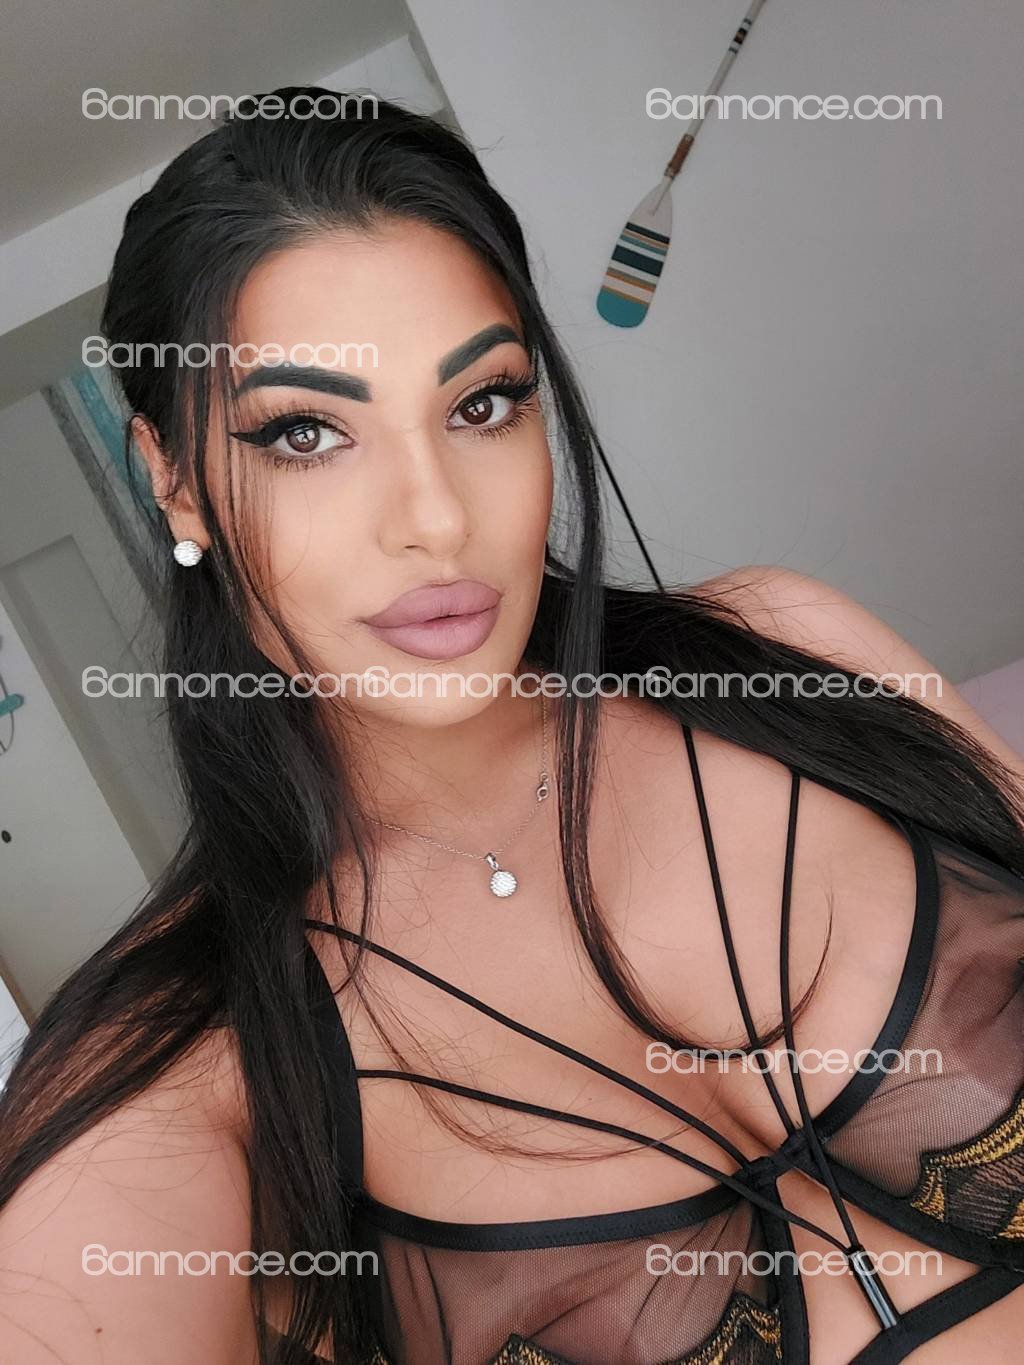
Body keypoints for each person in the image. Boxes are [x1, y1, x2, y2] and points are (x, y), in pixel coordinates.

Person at [1, 88, 1022, 1365]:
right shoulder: (185, 1056)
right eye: (307, 433)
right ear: (174, 480)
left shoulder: (786, 648)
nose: (436, 517)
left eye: (482, 404)